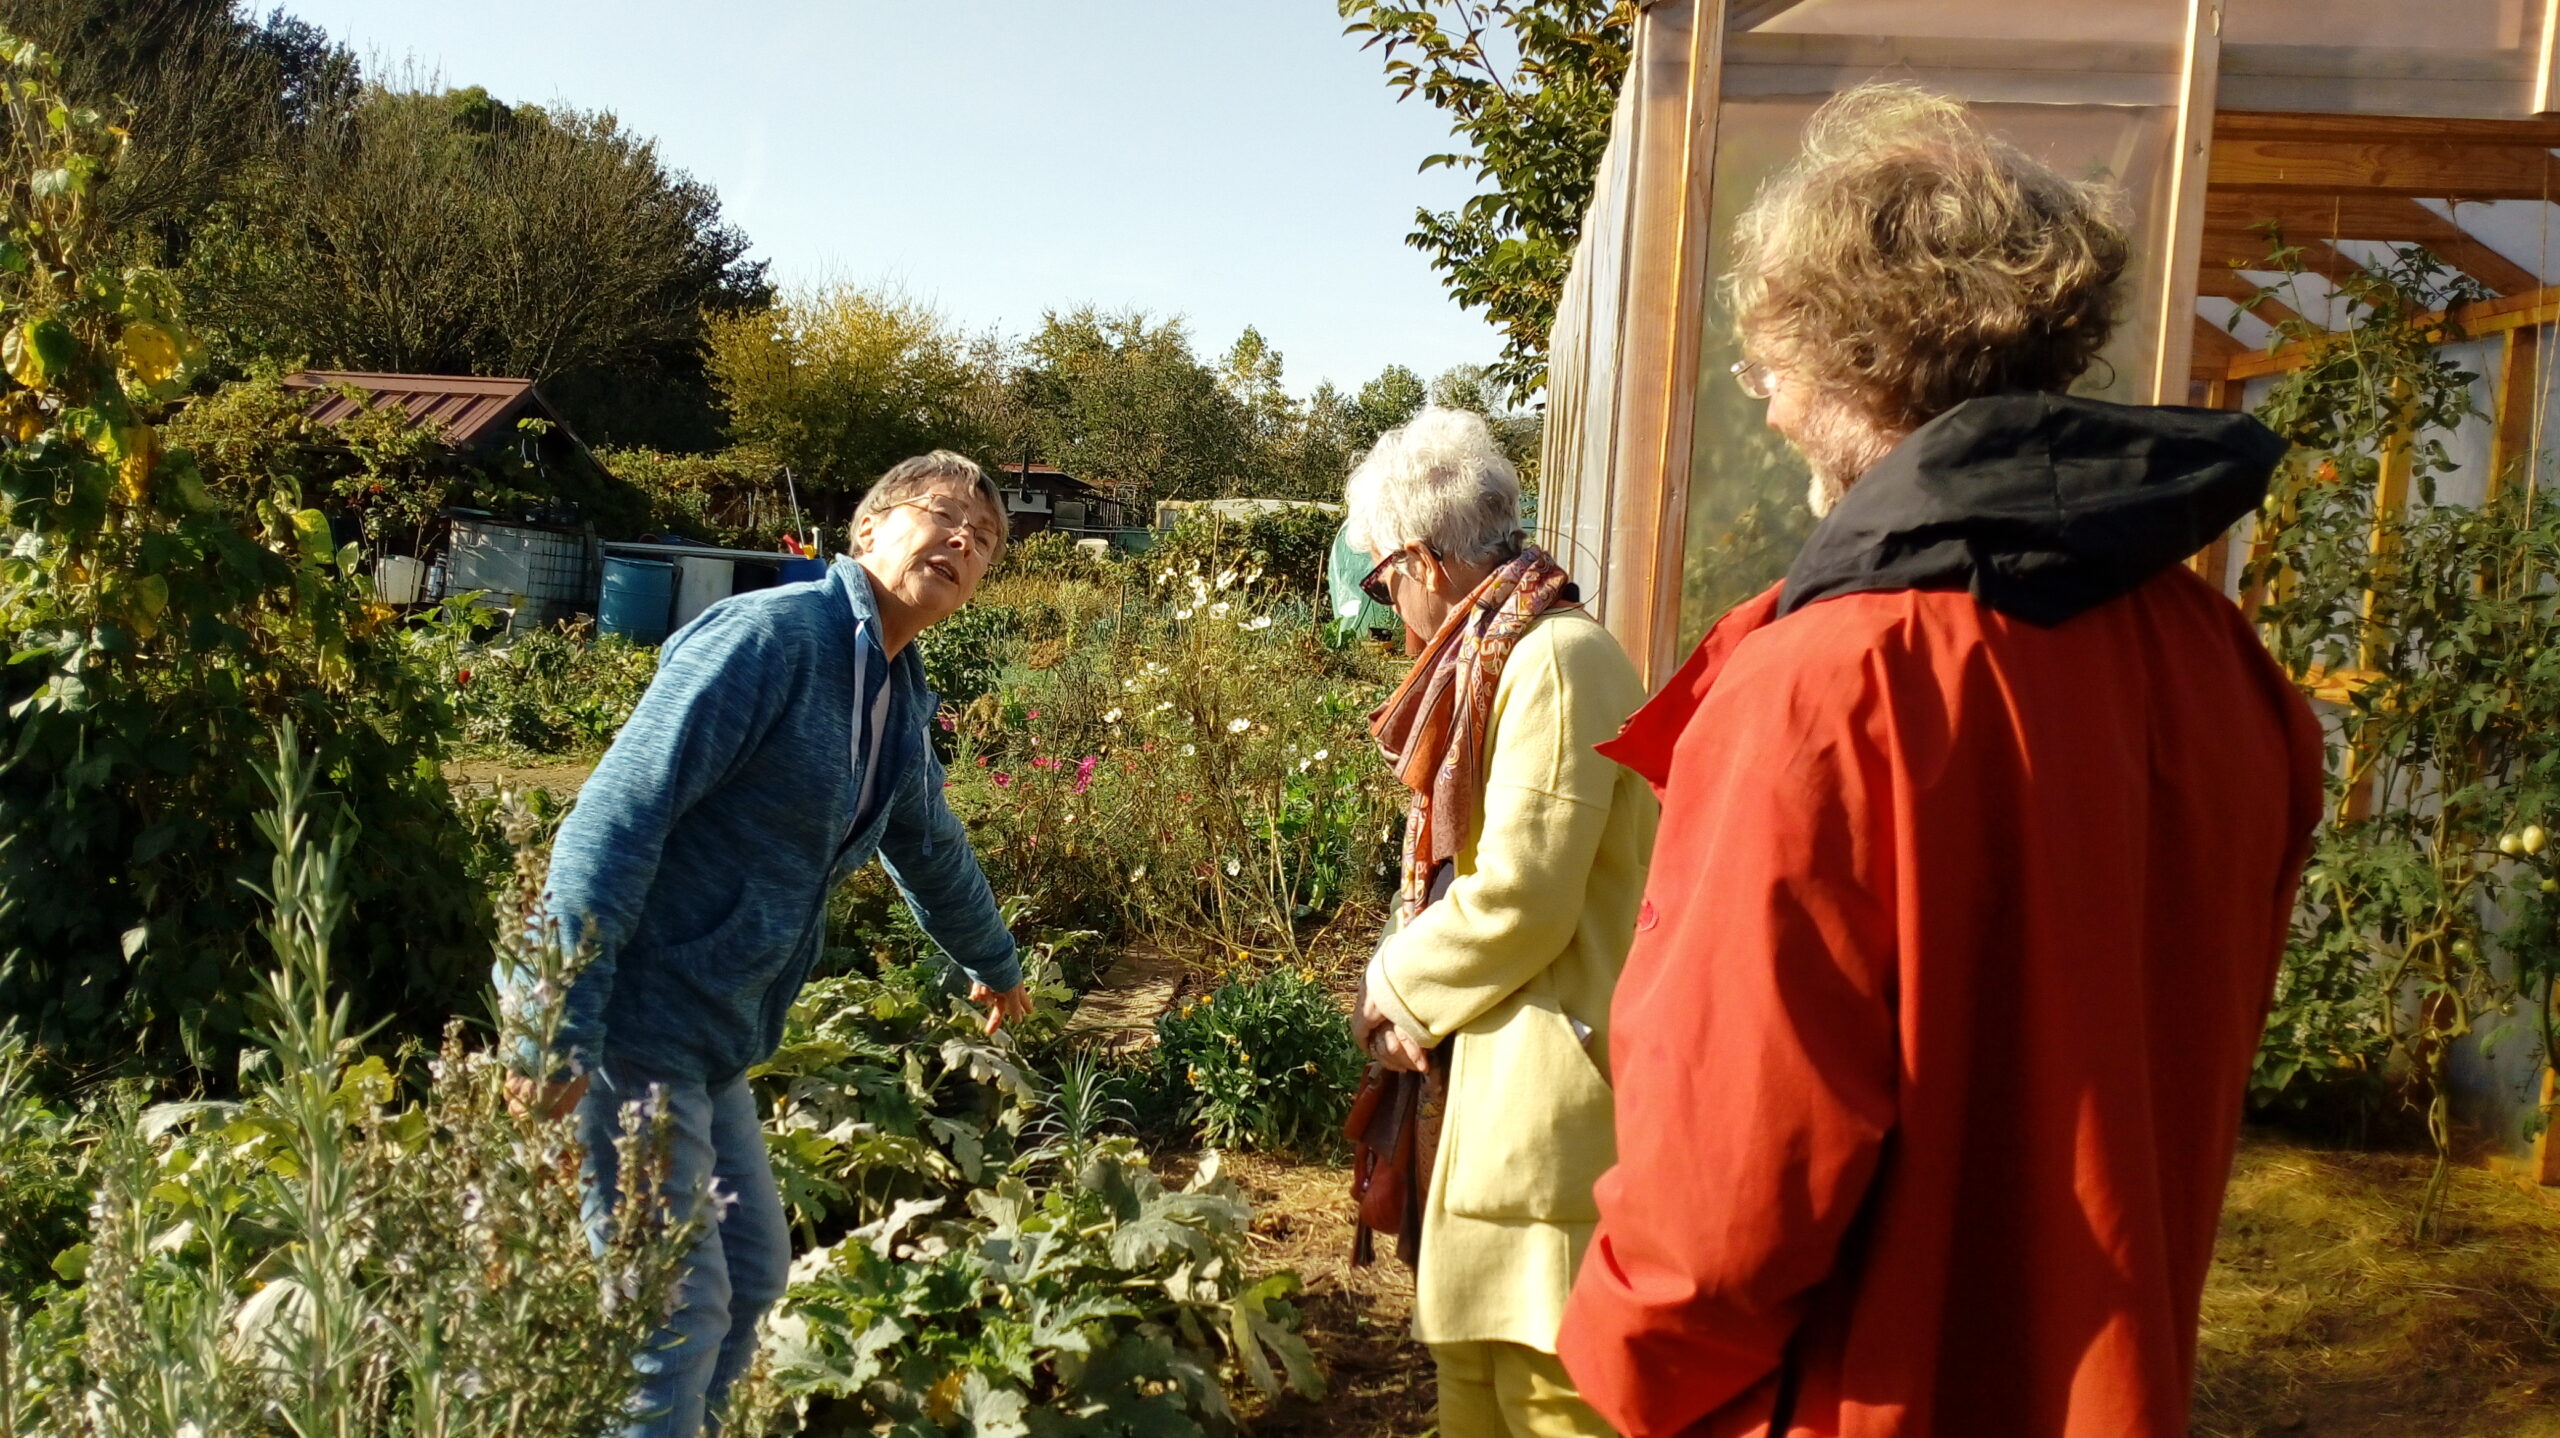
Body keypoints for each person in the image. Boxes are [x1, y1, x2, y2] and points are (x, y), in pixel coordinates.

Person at [1556, 86, 2325, 1437]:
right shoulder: (2227, 666)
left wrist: (1618, 1362)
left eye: (1767, 367)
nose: (1772, 409)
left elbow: (1722, 1203)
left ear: (1856, 361)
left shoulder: (1822, 691)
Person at [507, 451, 1032, 1437]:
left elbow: (930, 845)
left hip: (712, 1039)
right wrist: (551, 1023)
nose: (965, 539)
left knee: (750, 1280)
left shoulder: (892, 692)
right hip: (632, 1023)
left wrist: (994, 963)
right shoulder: (771, 639)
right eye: (943, 515)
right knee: (674, 1312)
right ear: (868, 528)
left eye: (987, 538)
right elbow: (612, 823)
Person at [1346, 407, 1658, 1438]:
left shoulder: (1557, 660)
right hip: (1492, 1109)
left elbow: (1524, 891)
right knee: (1475, 1388)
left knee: (1549, 1396)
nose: (1387, 607)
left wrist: (1392, 985)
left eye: (1379, 578)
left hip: (1552, 1117)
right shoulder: (1504, 655)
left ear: (1424, 558)